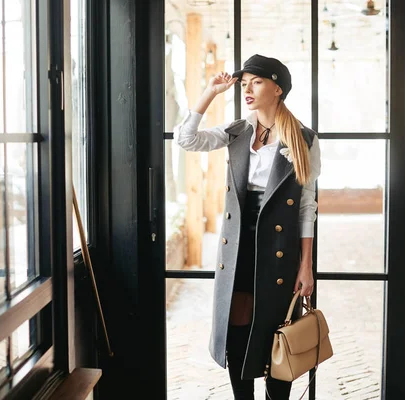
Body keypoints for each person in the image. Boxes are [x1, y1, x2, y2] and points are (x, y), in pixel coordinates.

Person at [173, 54, 321, 399]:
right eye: (243, 84)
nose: (247, 89)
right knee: (238, 323)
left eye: (256, 82)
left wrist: (306, 264)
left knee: (275, 325)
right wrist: (210, 92)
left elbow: (307, 206)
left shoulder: (303, 139)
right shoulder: (238, 130)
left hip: (278, 242)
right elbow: (186, 139)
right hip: (239, 240)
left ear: (277, 88)